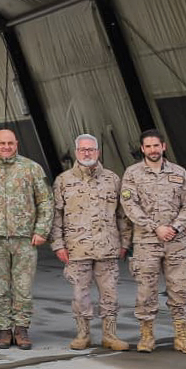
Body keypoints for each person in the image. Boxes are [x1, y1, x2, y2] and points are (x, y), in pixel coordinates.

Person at [121, 129, 186, 354]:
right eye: (148, 146)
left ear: (163, 147)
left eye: (157, 146)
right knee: (146, 289)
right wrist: (155, 227)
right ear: (142, 149)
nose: (153, 150)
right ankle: (146, 335)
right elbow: (129, 206)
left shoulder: (179, 172)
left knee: (180, 288)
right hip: (146, 241)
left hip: (176, 241)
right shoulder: (132, 174)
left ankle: (182, 336)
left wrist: (174, 227)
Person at [0, 128, 53, 349]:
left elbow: (45, 201)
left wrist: (41, 230)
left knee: (23, 288)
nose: (6, 147)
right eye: (2, 143)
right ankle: (4, 329)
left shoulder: (31, 168)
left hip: (24, 239)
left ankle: (22, 329)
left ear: (16, 143)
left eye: (10, 143)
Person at [51, 134, 129, 352]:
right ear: (76, 152)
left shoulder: (113, 179)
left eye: (91, 149)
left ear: (98, 152)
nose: (87, 153)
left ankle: (110, 335)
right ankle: (83, 334)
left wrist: (125, 242)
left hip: (108, 247)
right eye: (83, 149)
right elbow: (56, 215)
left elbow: (122, 215)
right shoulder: (63, 181)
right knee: (80, 295)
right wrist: (58, 244)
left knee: (110, 293)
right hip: (77, 249)